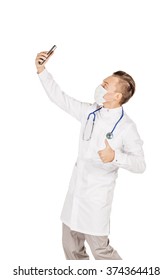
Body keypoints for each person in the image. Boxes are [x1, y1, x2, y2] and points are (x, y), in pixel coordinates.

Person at [35, 50, 146, 260]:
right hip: (74, 196)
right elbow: (60, 98)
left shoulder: (126, 127)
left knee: (102, 253)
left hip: (95, 202)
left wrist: (115, 157)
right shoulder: (90, 112)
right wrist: (42, 70)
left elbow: (140, 164)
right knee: (72, 251)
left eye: (105, 85)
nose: (99, 86)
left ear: (117, 96)